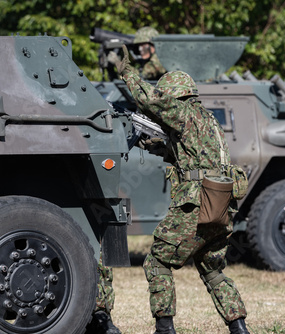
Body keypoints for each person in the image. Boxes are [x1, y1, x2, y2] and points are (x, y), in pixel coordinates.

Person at [110, 45, 250, 334]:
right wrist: (153, 145)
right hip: (221, 207)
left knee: (157, 261)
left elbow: (150, 100)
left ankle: (164, 328)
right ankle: (239, 327)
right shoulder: (209, 120)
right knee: (212, 269)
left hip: (195, 205)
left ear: (176, 96)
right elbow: (192, 155)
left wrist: (126, 72)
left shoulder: (183, 112)